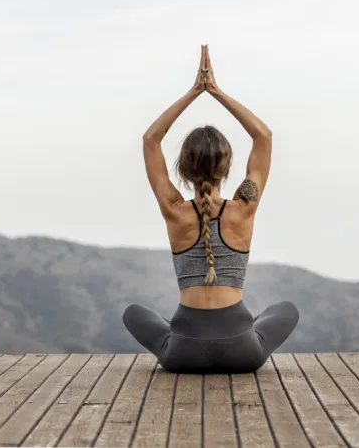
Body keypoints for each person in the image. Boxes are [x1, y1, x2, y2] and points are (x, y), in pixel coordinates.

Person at [123, 45, 299, 373]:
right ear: (227, 165)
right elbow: (263, 137)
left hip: (183, 354)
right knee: (285, 309)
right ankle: (238, 328)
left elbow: (150, 140)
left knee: (133, 312)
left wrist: (193, 92)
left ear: (184, 169)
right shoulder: (243, 207)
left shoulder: (174, 209)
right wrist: (216, 92)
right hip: (243, 352)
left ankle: (180, 331)